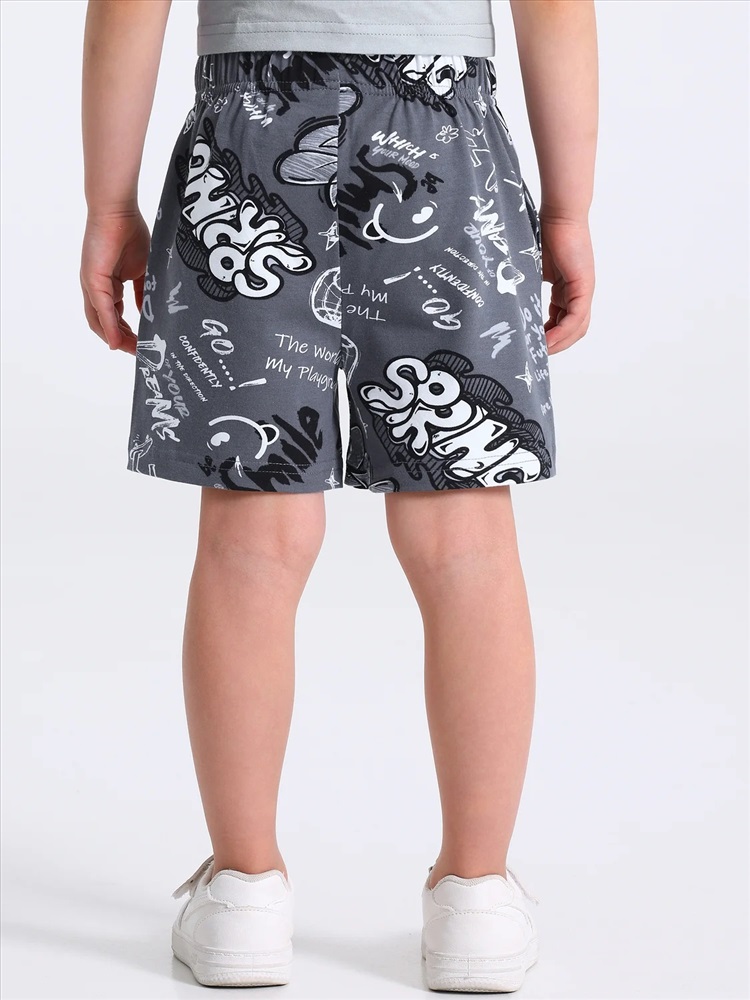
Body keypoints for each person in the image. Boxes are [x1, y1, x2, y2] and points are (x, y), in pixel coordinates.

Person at [80, 0, 597, 991]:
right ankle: (476, 897)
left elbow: (127, 7)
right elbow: (558, 11)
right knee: (465, 537)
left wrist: (110, 204)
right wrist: (567, 213)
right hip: (443, 136)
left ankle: (242, 891)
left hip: (249, 129)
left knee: (254, 534)